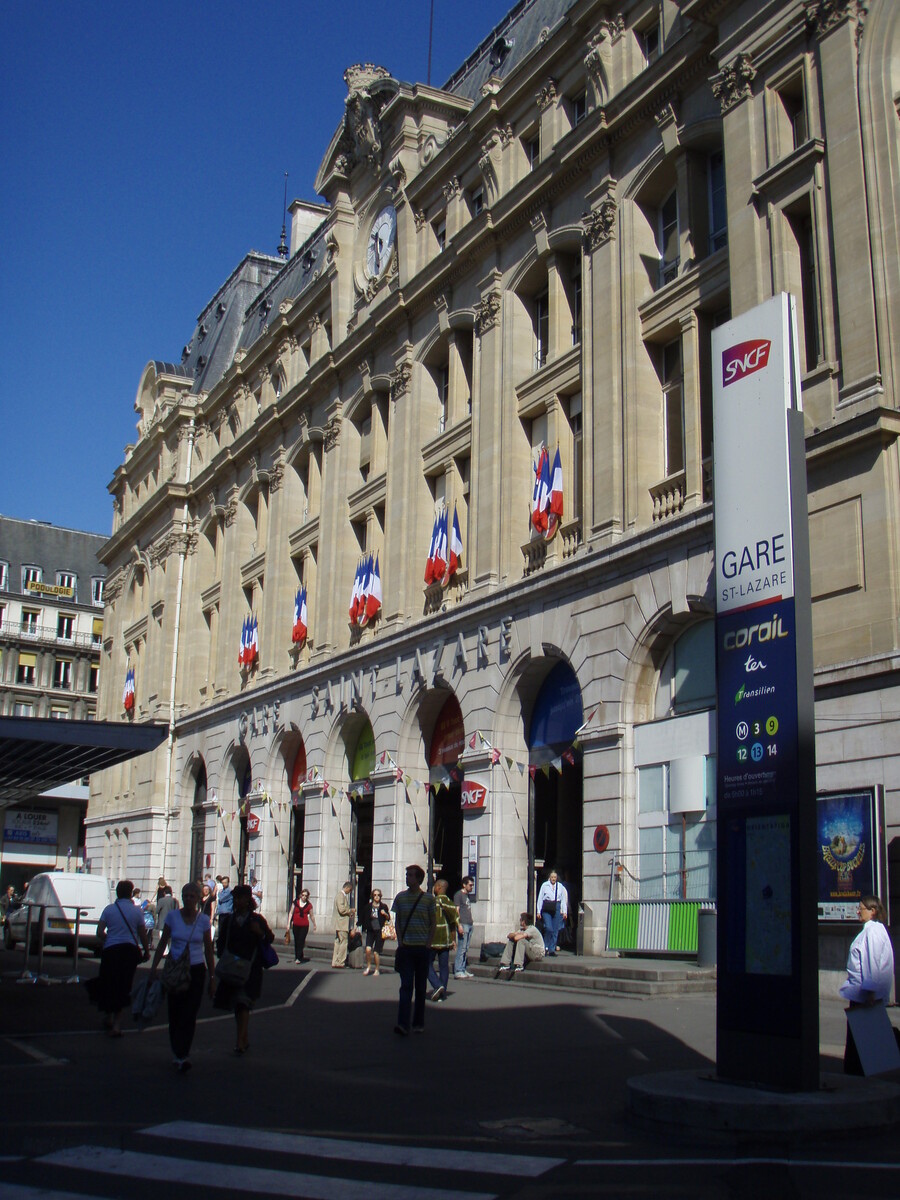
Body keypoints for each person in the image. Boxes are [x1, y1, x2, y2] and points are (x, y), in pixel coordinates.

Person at [149, 882, 215, 1072]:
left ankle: (183, 1053)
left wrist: (212, 978)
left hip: (196, 969)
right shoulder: (172, 917)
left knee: (190, 1012)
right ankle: (177, 1050)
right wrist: (154, 968)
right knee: (175, 1011)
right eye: (185, 896)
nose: (188, 899)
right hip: (175, 968)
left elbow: (209, 951)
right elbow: (162, 943)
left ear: (198, 899)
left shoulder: (203, 921)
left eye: (192, 896)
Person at [214, 883, 274, 1054]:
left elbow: (269, 938)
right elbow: (221, 942)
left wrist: (260, 933)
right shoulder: (229, 920)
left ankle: (240, 1041)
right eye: (235, 898)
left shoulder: (256, 920)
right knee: (237, 1005)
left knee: (243, 1003)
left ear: (247, 900)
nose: (236, 901)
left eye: (239, 898)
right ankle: (243, 1036)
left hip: (250, 968)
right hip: (233, 967)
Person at [840, 894, 895, 1075]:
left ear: (872, 911)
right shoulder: (876, 930)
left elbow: (872, 961)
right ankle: (856, 1070)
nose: (858, 911)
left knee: (860, 1036)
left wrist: (870, 992)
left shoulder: (872, 932)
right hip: (864, 992)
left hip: (863, 994)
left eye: (861, 908)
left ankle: (854, 1073)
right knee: (863, 1035)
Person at [94, 880, 150, 1036]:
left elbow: (99, 932)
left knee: (109, 983)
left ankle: (109, 1016)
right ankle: (117, 1025)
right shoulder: (137, 911)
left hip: (111, 950)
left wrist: (110, 939)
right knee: (124, 986)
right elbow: (142, 934)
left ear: (117, 892)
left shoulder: (109, 910)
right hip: (129, 951)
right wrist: (146, 951)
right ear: (131, 893)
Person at [391, 865, 436, 1035]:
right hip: (407, 949)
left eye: (410, 875)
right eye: (406, 875)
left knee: (420, 987)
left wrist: (428, 944)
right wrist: (400, 942)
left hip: (422, 949)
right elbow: (397, 921)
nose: (407, 878)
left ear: (419, 879)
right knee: (406, 986)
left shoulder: (428, 899)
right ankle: (403, 1024)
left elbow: (433, 923)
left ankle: (418, 1022)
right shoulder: (400, 898)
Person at [427, 879, 459, 1001]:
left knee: (426, 963)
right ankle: (442, 993)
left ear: (439, 888)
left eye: (435, 886)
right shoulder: (449, 902)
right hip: (446, 939)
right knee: (443, 966)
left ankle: (437, 985)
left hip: (433, 938)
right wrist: (453, 939)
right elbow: (453, 921)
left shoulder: (433, 901)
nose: (434, 888)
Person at [536, 869, 569, 956]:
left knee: (555, 930)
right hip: (547, 906)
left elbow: (563, 900)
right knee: (548, 928)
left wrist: (564, 912)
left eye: (555, 877)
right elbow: (540, 898)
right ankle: (545, 947)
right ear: (549, 877)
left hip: (557, 907)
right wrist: (538, 911)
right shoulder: (545, 885)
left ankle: (551, 949)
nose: (553, 879)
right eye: (552, 877)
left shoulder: (560, 886)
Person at [362, 888, 391, 976]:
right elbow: (364, 917)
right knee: (368, 949)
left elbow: (388, 918)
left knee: (376, 952)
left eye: (378, 895)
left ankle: (377, 969)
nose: (376, 897)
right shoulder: (368, 907)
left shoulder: (383, 906)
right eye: (375, 895)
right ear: (372, 896)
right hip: (371, 930)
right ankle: (368, 966)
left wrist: (385, 914)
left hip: (380, 930)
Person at [453, 876, 475, 980]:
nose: (472, 887)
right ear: (464, 885)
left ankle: (463, 968)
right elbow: (456, 911)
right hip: (463, 924)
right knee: (461, 948)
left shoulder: (467, 896)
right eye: (470, 885)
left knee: (466, 948)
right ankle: (458, 970)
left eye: (472, 885)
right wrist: (459, 925)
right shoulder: (459, 895)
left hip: (469, 923)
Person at [288, 887, 316, 963]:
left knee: (301, 940)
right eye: (303, 895)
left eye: (305, 896)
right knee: (296, 940)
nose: (304, 897)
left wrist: (314, 924)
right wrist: (288, 924)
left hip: (304, 925)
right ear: (300, 895)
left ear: (307, 897)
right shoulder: (295, 902)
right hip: (296, 925)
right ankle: (298, 955)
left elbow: (311, 915)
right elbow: (291, 913)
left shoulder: (309, 905)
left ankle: (298, 958)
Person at [332, 881, 355, 968]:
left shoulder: (340, 895)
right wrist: (350, 911)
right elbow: (341, 910)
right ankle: (340, 962)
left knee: (338, 942)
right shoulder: (341, 896)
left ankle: (335, 961)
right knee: (344, 942)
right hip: (341, 923)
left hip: (339, 923)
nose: (350, 892)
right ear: (347, 888)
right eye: (350, 890)